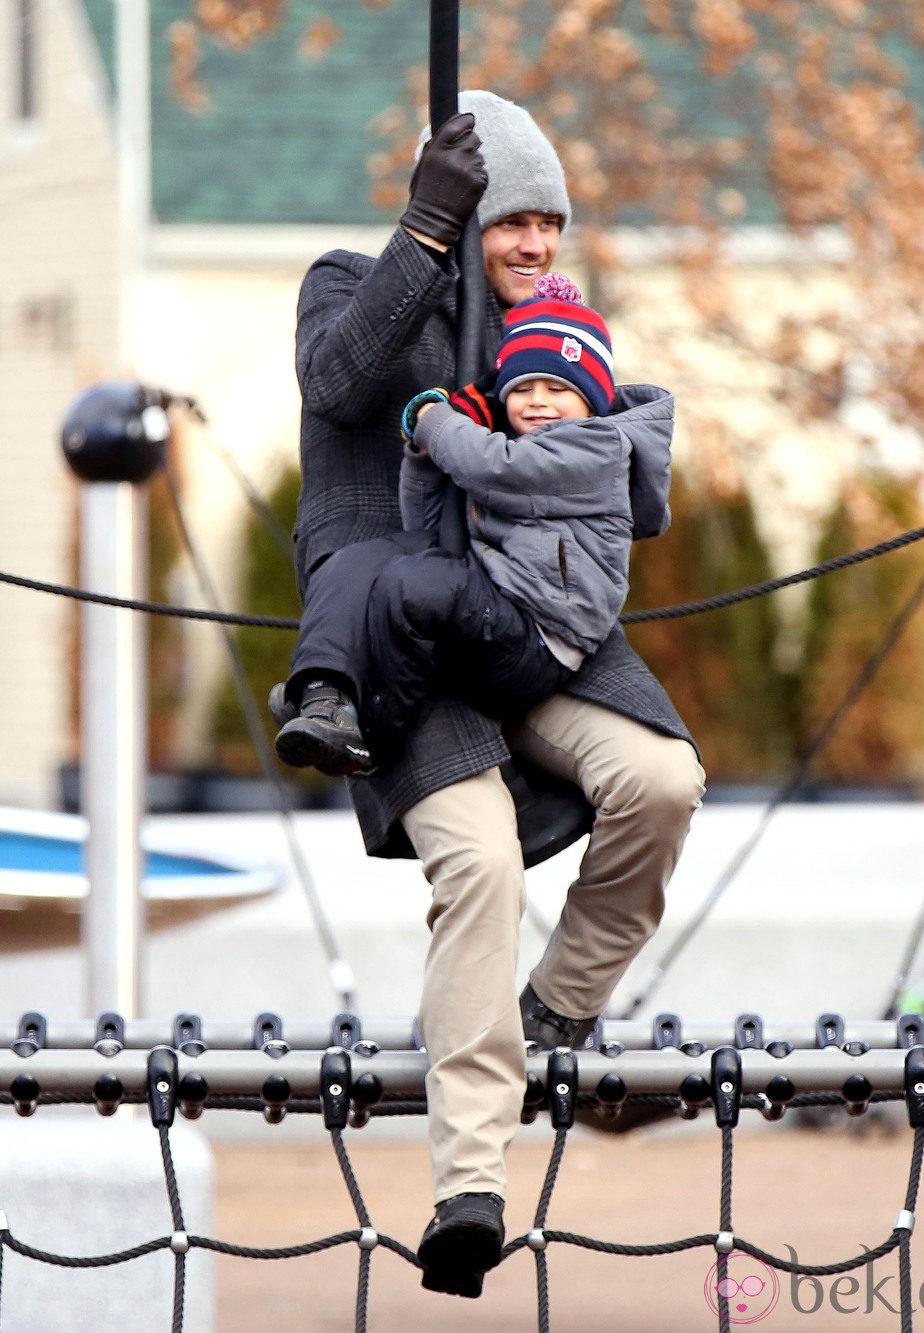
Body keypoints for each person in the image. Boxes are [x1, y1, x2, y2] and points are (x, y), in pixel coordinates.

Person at [272, 90, 706, 1299]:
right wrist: (424, 234)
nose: (532, 245)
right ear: (459, 212)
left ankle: (556, 1010)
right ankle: (472, 1181)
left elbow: (622, 480)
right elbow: (339, 382)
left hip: (525, 624)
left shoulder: (553, 339)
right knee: (478, 859)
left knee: (662, 780)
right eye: (509, 219)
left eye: (547, 225)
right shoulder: (347, 280)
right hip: (406, 626)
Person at [274, 272, 671, 777]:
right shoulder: (510, 444)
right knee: (360, 560)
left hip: (541, 638)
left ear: (593, 399)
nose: (538, 400)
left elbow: (496, 467)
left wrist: (437, 422)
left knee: (411, 585)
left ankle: (373, 735)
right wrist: (421, 458)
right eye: (522, 387)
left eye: (558, 388)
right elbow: (429, 522)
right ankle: (322, 694)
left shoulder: (598, 448)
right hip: (497, 606)